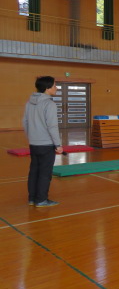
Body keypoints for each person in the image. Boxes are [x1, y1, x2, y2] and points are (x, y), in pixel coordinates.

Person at [23, 76, 63, 207]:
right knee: (45, 173)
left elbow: (25, 122)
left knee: (34, 171)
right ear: (47, 88)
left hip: (34, 144)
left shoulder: (29, 103)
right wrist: (58, 145)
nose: (56, 88)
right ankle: (41, 200)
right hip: (46, 145)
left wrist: (32, 138)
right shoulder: (49, 104)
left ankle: (32, 199)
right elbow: (52, 126)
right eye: (54, 85)